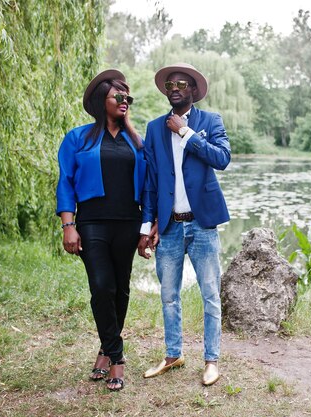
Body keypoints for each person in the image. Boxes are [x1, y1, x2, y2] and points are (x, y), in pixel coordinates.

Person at [138, 63, 230, 386]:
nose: (174, 87)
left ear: (192, 89)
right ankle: (173, 354)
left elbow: (222, 158)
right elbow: (150, 182)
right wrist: (146, 225)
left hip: (203, 225)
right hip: (170, 228)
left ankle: (211, 360)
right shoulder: (153, 128)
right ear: (166, 91)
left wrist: (186, 133)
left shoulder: (209, 121)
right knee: (168, 294)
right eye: (169, 83)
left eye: (181, 83)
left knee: (209, 293)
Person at [56, 69, 148, 391]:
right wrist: (69, 225)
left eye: (128, 98)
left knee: (121, 288)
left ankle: (104, 350)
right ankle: (118, 357)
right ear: (102, 101)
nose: (125, 102)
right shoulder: (77, 138)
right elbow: (65, 183)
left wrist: (147, 227)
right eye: (118, 96)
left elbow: (149, 187)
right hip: (92, 222)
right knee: (101, 286)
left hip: (128, 222)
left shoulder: (138, 142)